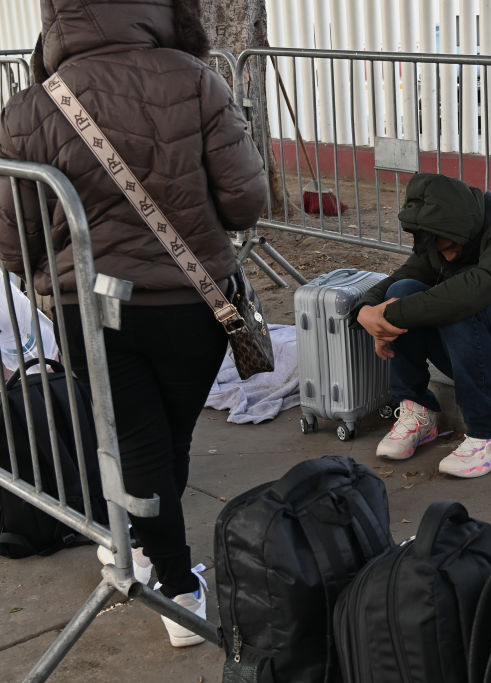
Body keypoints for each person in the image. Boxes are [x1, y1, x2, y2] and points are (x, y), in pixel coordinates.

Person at [0, 0, 267, 646]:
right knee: (164, 441)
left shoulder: (31, 108)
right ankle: (159, 560)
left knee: (140, 443)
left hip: (91, 308)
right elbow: (246, 197)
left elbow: (14, 242)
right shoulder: (196, 79)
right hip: (195, 302)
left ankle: (171, 583)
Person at [354, 172, 491, 478]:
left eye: (448, 248)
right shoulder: (444, 233)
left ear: (462, 228)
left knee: (458, 304)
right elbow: (403, 278)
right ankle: (419, 411)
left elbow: (471, 293)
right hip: (479, 347)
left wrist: (388, 318)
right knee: (402, 290)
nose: (443, 254)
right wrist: (366, 311)